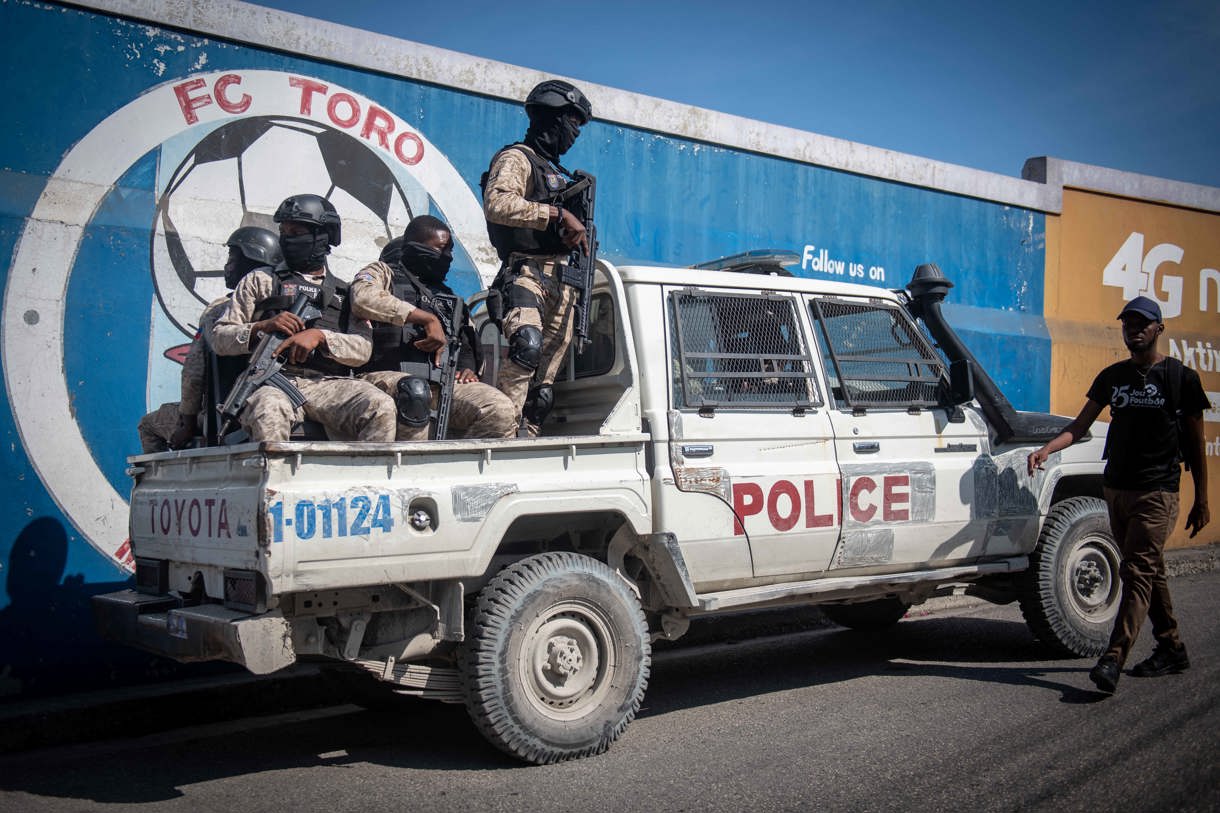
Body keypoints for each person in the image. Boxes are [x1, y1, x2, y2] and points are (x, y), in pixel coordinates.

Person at [1026, 295, 1210, 694]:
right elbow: (1080, 425)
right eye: (1128, 322)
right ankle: (1172, 647)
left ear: (1159, 329)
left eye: (1142, 323)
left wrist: (1202, 498)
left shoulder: (1181, 378)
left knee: (1137, 572)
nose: (1134, 328)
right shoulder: (1113, 377)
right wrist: (1046, 450)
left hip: (1157, 492)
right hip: (1116, 490)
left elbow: (1196, 442)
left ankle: (1113, 657)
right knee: (1149, 568)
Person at [211, 194, 397, 442]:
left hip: (328, 384)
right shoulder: (261, 280)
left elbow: (362, 350)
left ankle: (365, 478)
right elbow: (219, 338)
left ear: (323, 237)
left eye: (296, 232)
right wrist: (260, 327)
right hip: (272, 382)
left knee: (380, 406)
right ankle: (275, 480)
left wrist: (320, 337)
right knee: (268, 409)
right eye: (284, 232)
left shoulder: (344, 293)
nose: (288, 239)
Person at [482, 78, 593, 436]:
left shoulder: (558, 173)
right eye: (573, 121)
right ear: (553, 116)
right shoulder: (517, 158)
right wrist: (558, 215)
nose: (576, 132)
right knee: (526, 346)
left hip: (565, 281)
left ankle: (526, 442)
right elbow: (497, 203)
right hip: (527, 273)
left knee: (544, 389)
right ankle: (500, 434)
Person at [351, 216, 517, 440]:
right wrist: (424, 319)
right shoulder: (385, 273)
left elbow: (466, 342)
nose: (447, 257)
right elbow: (362, 297)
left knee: (500, 409)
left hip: (440, 385)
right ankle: (411, 469)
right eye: (440, 249)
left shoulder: (449, 297)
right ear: (416, 247)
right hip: (383, 379)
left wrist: (467, 369)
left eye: (449, 251)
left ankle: (463, 470)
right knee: (415, 392)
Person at [138, 225, 282, 452]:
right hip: (273, 407)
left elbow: (194, 370)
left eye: (232, 259)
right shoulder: (283, 311)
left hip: (224, 413)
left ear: (251, 264)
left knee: (148, 424)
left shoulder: (220, 310)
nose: (227, 266)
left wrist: (186, 422)